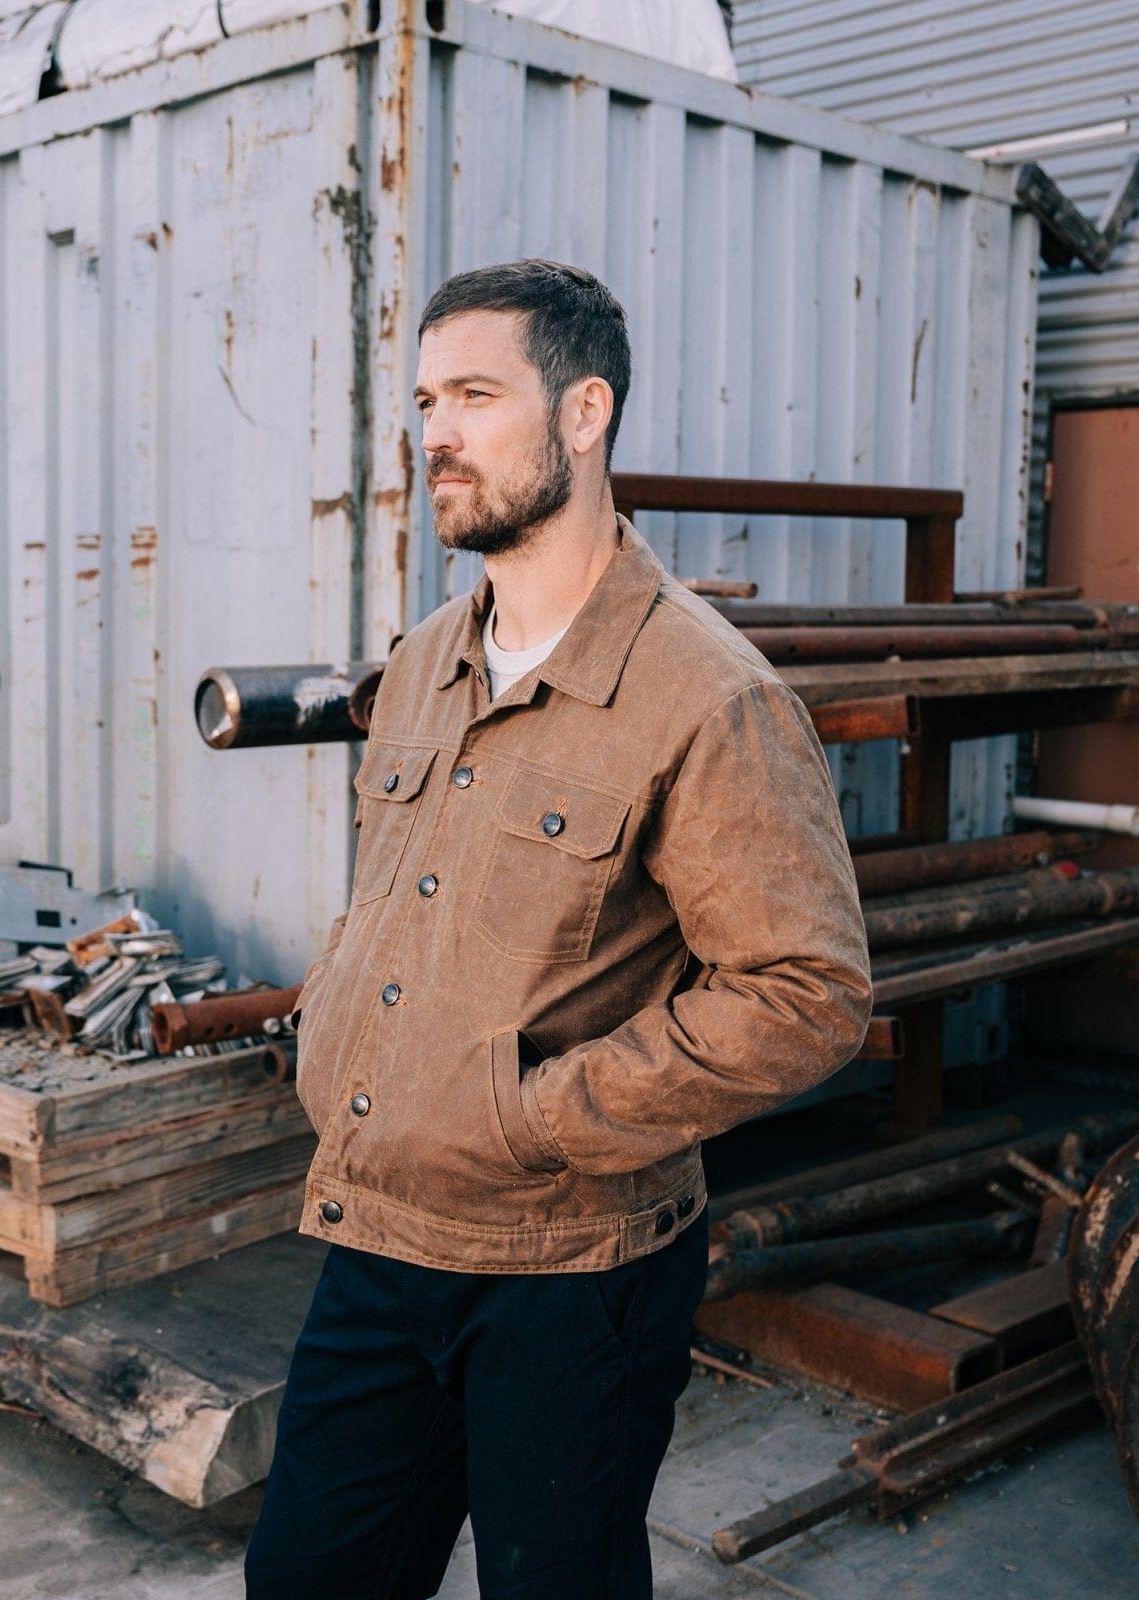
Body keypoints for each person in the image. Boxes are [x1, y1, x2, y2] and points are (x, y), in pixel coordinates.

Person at [244, 259, 871, 1600]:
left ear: (585, 415)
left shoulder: (707, 698)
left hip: (568, 1273)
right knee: (305, 1579)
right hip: (379, 1238)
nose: (436, 435)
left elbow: (806, 993)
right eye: (426, 400)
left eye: (476, 395)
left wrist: (536, 1116)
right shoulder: (422, 663)